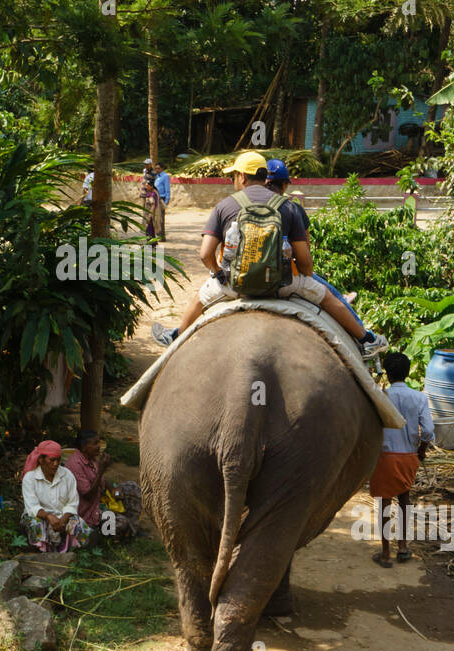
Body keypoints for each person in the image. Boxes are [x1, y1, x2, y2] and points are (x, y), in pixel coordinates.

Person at [151, 151, 388, 354]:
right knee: (328, 297)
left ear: (242, 177)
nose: (234, 179)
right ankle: (366, 340)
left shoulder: (225, 205)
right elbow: (304, 259)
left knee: (199, 298)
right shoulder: (289, 207)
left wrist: (218, 274)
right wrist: (304, 277)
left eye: (234, 175)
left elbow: (205, 254)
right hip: (283, 284)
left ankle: (176, 338)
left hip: (235, 284)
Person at [265, 159, 363, 329]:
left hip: (242, 277)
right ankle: (366, 338)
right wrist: (307, 275)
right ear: (284, 185)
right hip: (285, 280)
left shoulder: (242, 204)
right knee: (334, 296)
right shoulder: (293, 209)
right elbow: (305, 259)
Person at [368, 352, 435, 567]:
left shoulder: (380, 396)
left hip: (385, 456)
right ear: (407, 372)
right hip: (408, 456)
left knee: (385, 503)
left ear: (387, 373)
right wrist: (421, 451)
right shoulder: (419, 398)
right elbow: (428, 431)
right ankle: (403, 547)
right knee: (404, 500)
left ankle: (386, 553)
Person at [63, 430, 142, 539]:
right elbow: (88, 495)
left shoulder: (91, 458)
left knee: (133, 488)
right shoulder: (74, 464)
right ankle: (105, 535)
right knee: (121, 523)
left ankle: (132, 530)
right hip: (86, 511)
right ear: (84, 446)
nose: (99, 446)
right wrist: (101, 470)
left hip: (99, 499)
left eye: (99, 442)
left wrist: (114, 488)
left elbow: (102, 481)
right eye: (95, 443)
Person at [21, 440, 92, 552]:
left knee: (80, 527)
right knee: (35, 524)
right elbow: (32, 507)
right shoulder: (30, 478)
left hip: (62, 515)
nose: (56, 464)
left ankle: (70, 550)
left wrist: (63, 519)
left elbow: (72, 502)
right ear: (41, 460)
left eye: (58, 460)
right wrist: (49, 517)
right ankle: (41, 551)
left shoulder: (67, 475)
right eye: (52, 460)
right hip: (40, 516)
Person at [152, 162, 171, 239]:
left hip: (161, 199)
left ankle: (162, 236)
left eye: (158, 168)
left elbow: (167, 189)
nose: (157, 169)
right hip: (155, 198)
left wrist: (166, 201)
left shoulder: (165, 176)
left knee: (161, 218)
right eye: (156, 168)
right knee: (156, 218)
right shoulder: (156, 176)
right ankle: (158, 234)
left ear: (162, 169)